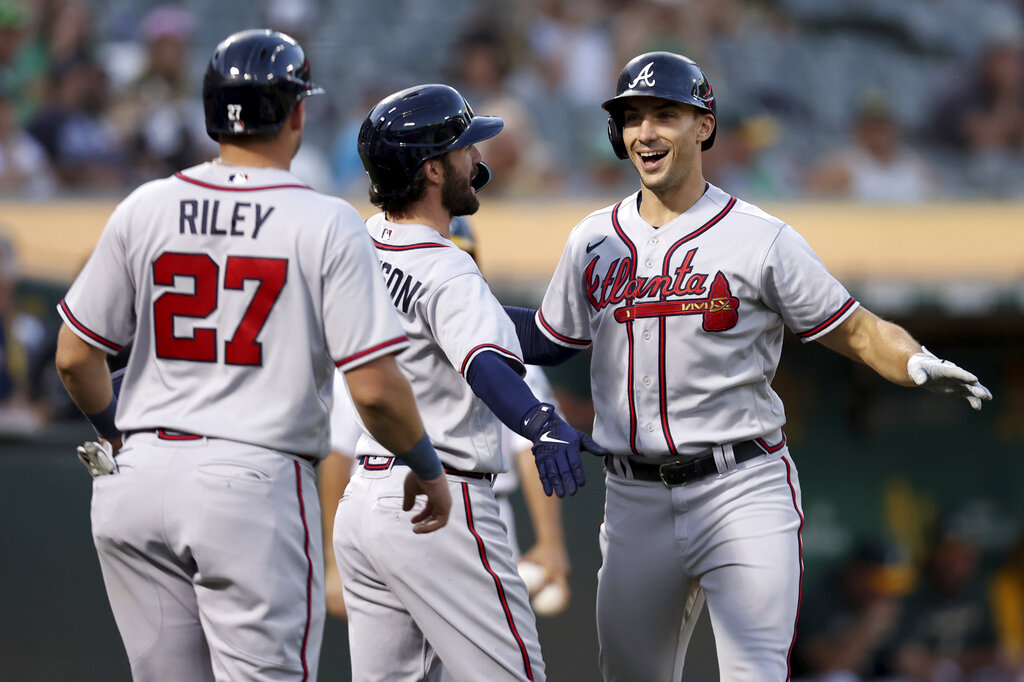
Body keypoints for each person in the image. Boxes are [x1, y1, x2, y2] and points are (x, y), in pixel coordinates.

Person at [502, 51, 993, 681]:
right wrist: (453, 304)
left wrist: (917, 359)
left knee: (755, 673)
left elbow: (861, 331)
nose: (645, 132)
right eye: (632, 117)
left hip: (740, 485)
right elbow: (547, 337)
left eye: (665, 115)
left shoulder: (761, 237)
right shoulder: (591, 238)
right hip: (633, 497)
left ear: (704, 125)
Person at [53, 29, 451, 681]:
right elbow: (375, 388)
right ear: (298, 112)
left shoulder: (145, 205)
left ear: (210, 111)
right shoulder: (324, 220)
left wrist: (118, 438)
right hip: (251, 483)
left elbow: (75, 356)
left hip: (137, 483)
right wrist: (426, 466)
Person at [334, 83, 606, 682]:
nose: (477, 161)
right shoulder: (447, 263)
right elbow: (485, 361)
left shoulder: (361, 244)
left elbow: (516, 334)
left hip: (365, 505)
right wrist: (539, 424)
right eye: (464, 150)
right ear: (432, 170)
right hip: (438, 501)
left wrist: (588, 321)